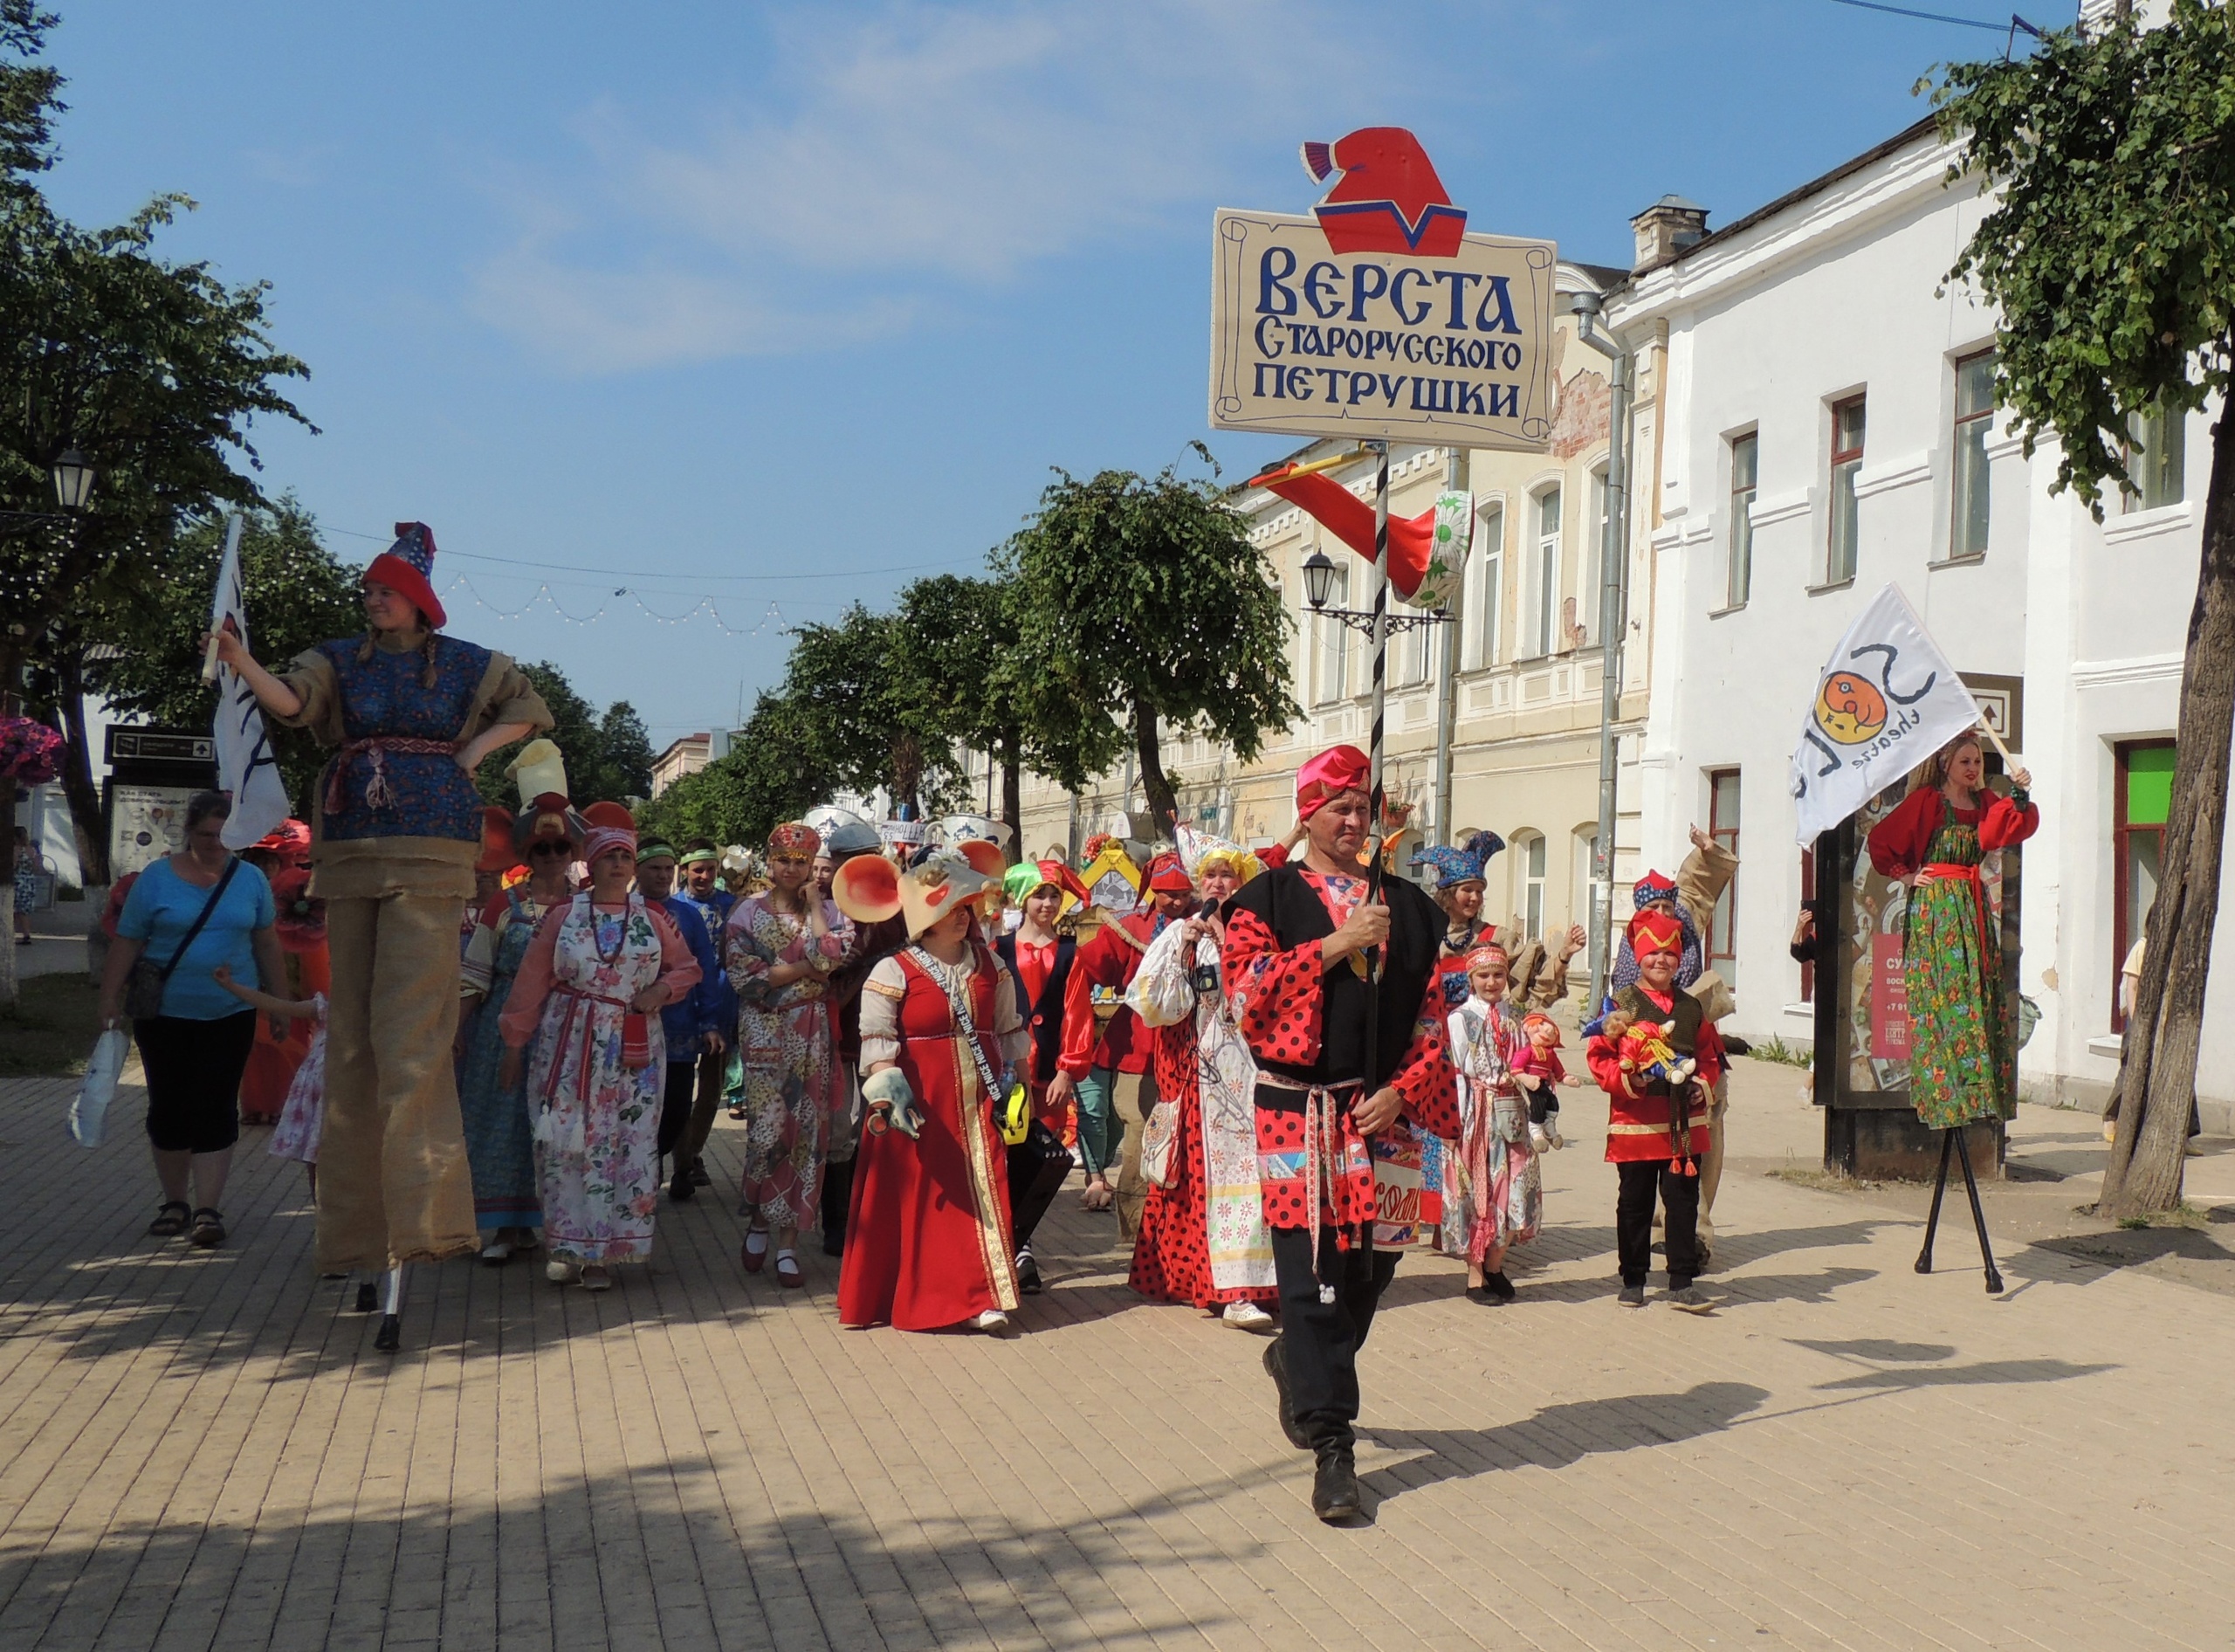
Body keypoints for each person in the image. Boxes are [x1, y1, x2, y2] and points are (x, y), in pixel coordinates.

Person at [208, 522, 553, 1277]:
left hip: (433, 845)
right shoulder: (336, 658)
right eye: (368, 590)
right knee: (355, 1042)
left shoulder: (469, 664)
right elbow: (292, 704)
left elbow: (528, 709)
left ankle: (429, 1224)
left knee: (414, 1038)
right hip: (351, 844)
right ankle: (356, 1237)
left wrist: (471, 753)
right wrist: (241, 660)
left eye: (385, 590)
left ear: (418, 598)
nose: (372, 601)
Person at [1221, 745, 1458, 1522]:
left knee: (1372, 1272)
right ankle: (1333, 1446)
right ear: (1309, 814)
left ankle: (1298, 1362)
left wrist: (1400, 1091)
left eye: (1363, 808)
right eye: (1339, 809)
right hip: (1301, 1112)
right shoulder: (1265, 897)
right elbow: (1245, 998)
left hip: (1383, 1116)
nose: (1354, 822)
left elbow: (1434, 1022)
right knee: (1313, 1274)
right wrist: (1335, 944)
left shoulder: (1415, 909)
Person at [498, 808, 700, 1290]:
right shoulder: (562, 917)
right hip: (567, 1043)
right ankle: (566, 1246)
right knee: (565, 1140)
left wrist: (660, 992)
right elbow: (530, 983)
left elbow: (687, 968)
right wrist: (513, 1043)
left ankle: (605, 1254)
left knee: (626, 1143)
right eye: (607, 856)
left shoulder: (655, 918)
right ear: (590, 863)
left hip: (633, 1046)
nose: (617, 865)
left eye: (624, 857)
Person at [831, 842, 1028, 1332]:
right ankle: (921, 1294)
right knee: (924, 1199)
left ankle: (981, 1294)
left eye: (966, 907)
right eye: (949, 909)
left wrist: (1020, 1083)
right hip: (919, 1106)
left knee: (983, 1190)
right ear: (925, 917)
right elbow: (875, 1040)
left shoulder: (993, 967)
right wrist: (886, 1082)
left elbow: (1008, 1031)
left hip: (980, 1101)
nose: (962, 917)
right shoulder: (892, 970)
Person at [99, 791, 286, 1249]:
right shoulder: (156, 880)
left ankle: (208, 1209)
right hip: (165, 1012)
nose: (215, 845)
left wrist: (279, 1002)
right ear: (188, 833)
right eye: (206, 835)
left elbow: (266, 944)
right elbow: (127, 941)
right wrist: (107, 1001)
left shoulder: (251, 881)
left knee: (217, 1105)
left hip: (231, 1011)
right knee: (168, 1107)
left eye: (225, 837)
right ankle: (174, 1202)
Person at [1126, 828, 1278, 1329]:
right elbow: (1154, 1008)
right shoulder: (1177, 932)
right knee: (1198, 1182)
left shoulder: (1262, 932)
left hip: (1253, 1074)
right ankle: (1210, 1284)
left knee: (1257, 1178)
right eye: (1209, 875)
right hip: (1199, 1081)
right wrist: (1184, 952)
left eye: (1227, 874)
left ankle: (1250, 1285)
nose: (1217, 883)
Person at [1867, 731, 2039, 1132]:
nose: (1973, 769)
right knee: (1945, 993)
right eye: (1965, 762)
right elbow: (1882, 840)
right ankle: (1946, 1092)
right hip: (1937, 907)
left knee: (1977, 990)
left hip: (1971, 903)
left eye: (1977, 762)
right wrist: (1907, 876)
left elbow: (2001, 831)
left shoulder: (1983, 803)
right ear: (1946, 764)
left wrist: (2019, 795)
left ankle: (1978, 1091)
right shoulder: (1928, 801)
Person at [456, 742, 581, 1263]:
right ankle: (506, 1228)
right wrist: (460, 1031)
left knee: (559, 1123)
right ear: (525, 855)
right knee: (503, 1119)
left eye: (559, 849)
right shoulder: (501, 906)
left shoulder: (588, 907)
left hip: (569, 1028)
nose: (551, 858)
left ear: (573, 852)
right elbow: (475, 972)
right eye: (540, 851)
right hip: (503, 1025)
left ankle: (555, 1223)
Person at [726, 821, 853, 1286]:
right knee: (768, 1130)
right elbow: (745, 977)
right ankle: (759, 1217)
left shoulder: (833, 912)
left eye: (802, 862)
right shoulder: (746, 913)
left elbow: (832, 958)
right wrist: (805, 968)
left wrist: (818, 908)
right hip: (763, 1030)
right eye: (784, 860)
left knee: (808, 1135)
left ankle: (788, 1243)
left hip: (812, 1032)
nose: (792, 869)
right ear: (769, 859)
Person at [1049, 850, 1197, 1231]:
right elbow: (1084, 970)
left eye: (1184, 893)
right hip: (1140, 1048)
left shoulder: (1208, 923)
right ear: (1153, 893)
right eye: (1168, 894)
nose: (1178, 902)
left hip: (1195, 1048)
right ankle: (1136, 1236)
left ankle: (1179, 1233)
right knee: (1138, 1138)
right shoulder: (1131, 928)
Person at [1587, 911, 1725, 1312]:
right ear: (1639, 957)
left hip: (1684, 1124)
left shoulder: (1690, 1008)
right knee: (1634, 1202)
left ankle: (1682, 1281)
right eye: (1652, 954)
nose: (1660, 961)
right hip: (1636, 1122)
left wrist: (1703, 1087)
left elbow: (1710, 1057)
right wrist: (1629, 1081)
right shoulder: (1621, 1005)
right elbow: (1599, 1058)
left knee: (1682, 1201)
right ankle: (1633, 1278)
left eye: (1668, 954)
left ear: (1679, 959)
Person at [996, 858, 1088, 1293]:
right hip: (1004, 1073)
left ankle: (1022, 1240)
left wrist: (1069, 1069)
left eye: (1054, 895)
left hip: (1048, 1073)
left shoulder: (1070, 952)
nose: (1048, 904)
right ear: (1023, 899)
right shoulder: (999, 950)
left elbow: (1077, 1014)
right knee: (1004, 1156)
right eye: (1039, 896)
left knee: (1039, 1161)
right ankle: (1014, 1246)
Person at [812, 809, 899, 1256]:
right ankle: (838, 1223)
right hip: (844, 1033)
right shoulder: (824, 909)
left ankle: (879, 1214)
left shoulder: (899, 905)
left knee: (885, 1121)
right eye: (848, 859)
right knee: (842, 1128)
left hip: (889, 1034)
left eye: (863, 858)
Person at [1445, 942, 1539, 1304]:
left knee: (1515, 1186)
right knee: (1477, 1192)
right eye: (1483, 975)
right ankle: (1474, 1274)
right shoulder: (1460, 1019)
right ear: (1471, 978)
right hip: (1476, 1113)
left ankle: (1497, 1264)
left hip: (1511, 1111)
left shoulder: (1515, 1015)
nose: (1491, 982)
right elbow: (1454, 1073)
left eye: (1498, 974)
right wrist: (1455, 1123)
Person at [633, 838, 726, 1203]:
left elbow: (701, 969)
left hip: (679, 1032)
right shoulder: (621, 910)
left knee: (674, 1110)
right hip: (632, 1032)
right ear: (638, 870)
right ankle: (642, 1175)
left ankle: (657, 1161)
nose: (661, 875)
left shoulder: (687, 917)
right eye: (654, 868)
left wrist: (710, 1022)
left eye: (666, 868)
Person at [215, 965, 329, 1189]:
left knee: (329, 1162)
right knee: (314, 1161)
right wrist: (232, 986)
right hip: (317, 1100)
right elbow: (278, 1005)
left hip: (340, 1100)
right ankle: (322, 1218)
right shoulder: (327, 1007)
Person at [670, 840, 738, 1197]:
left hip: (721, 1004)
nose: (705, 876)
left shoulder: (730, 907)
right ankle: (682, 1164)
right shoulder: (673, 908)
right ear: (685, 870)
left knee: (710, 1091)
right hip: (679, 1004)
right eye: (698, 869)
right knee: (679, 1090)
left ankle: (692, 1154)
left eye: (710, 869)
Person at [1413, 830, 1504, 1008]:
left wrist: (1564, 955)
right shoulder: (1425, 933)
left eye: (1479, 891)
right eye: (1468, 890)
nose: (1475, 898)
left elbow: (1530, 976)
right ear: (1448, 894)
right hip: (1432, 1029)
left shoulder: (1493, 936)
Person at [1514, 1012, 1570, 1151]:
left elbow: (1558, 1070)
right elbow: (1516, 1068)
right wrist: (1525, 1078)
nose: (1547, 1033)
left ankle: (1549, 1128)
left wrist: (1566, 1078)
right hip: (1532, 1083)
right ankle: (1536, 1133)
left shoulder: (1551, 1053)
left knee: (1553, 1104)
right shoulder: (1527, 1051)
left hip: (1544, 1083)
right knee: (1537, 1106)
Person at [12, 824, 36, 946]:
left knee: (16, 910)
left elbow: (14, 865)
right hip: (29, 881)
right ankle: (26, 934)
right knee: (23, 911)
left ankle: (13, 933)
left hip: (18, 882)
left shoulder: (16, 849)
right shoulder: (31, 849)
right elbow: (36, 866)